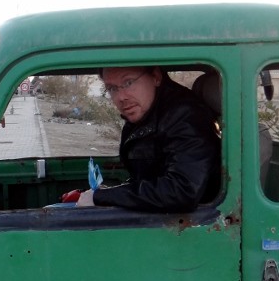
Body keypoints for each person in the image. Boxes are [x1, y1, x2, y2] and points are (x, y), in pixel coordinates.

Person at [74, 66, 221, 212]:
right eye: (112, 88)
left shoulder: (185, 116)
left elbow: (182, 190)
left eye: (128, 83)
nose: (121, 97)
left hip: (195, 226)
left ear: (156, 77)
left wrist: (102, 197)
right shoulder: (146, 114)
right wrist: (108, 193)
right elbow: (149, 177)